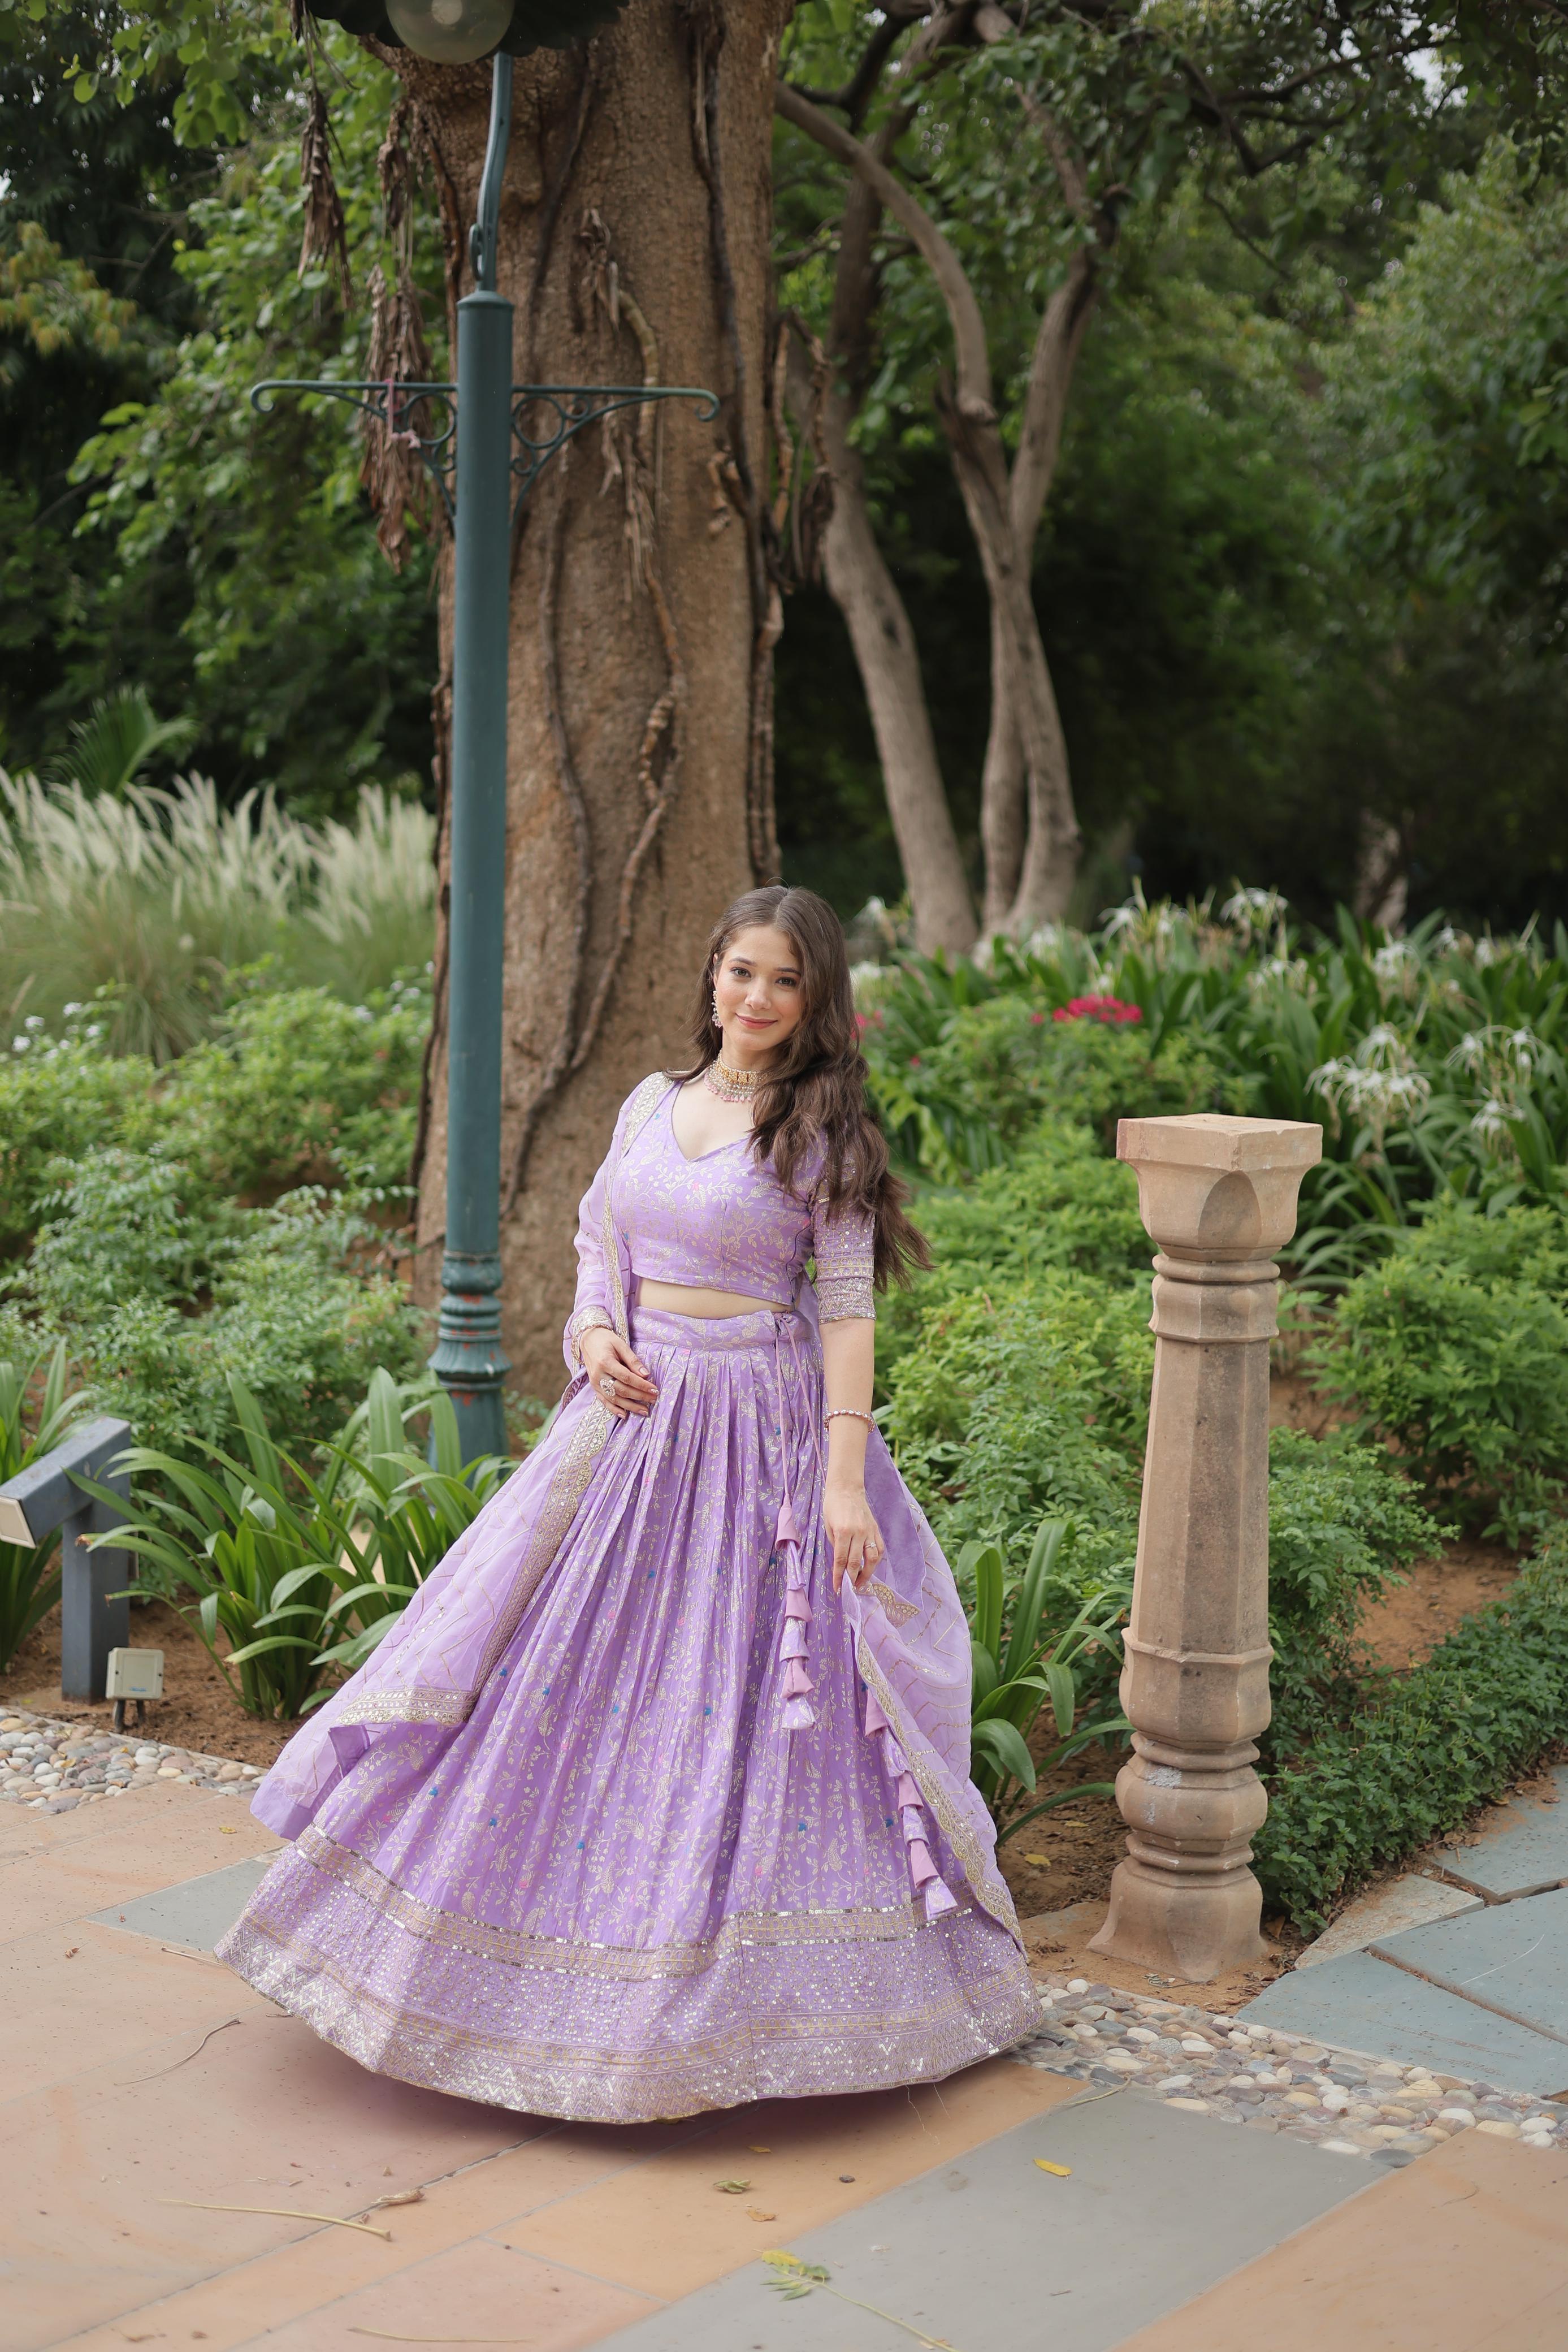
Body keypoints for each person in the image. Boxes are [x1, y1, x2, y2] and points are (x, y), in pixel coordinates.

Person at [217, 885, 1036, 2122]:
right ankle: (480, 1972)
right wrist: (593, 1328)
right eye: (738, 971)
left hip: (756, 1437)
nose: (754, 998)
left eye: (781, 981)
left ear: (814, 1002)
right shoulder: (650, 1106)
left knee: (735, 1709)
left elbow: (852, 1311)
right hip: (629, 1433)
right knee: (556, 1680)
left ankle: (745, 2007)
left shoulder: (817, 1129)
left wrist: (840, 1479)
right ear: (711, 974)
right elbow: (603, 1243)